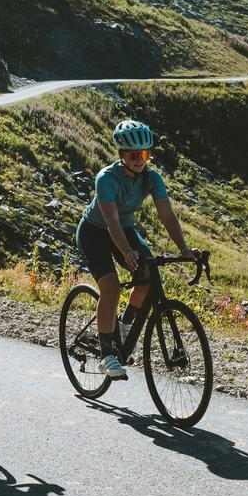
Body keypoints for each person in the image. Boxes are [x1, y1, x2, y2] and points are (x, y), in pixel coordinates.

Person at [75, 118, 196, 380]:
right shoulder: (106, 179)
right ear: (122, 154)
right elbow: (111, 221)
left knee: (149, 277)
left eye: (145, 154)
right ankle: (107, 354)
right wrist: (127, 252)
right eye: (134, 154)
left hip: (125, 230)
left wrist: (184, 248)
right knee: (112, 287)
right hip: (95, 231)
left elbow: (167, 214)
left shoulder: (151, 178)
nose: (140, 159)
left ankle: (124, 327)